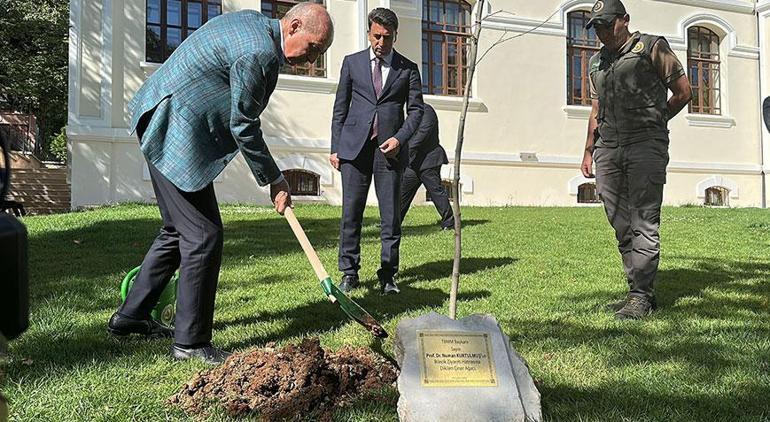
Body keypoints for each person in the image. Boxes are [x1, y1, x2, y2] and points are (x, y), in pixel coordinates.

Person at [107, 3, 334, 364]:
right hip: (171, 127)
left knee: (177, 230)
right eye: (312, 49)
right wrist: (275, 180)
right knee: (203, 236)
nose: (310, 61)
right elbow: (242, 123)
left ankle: (131, 316)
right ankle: (191, 344)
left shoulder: (254, 24)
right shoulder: (260, 52)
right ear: (293, 27)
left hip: (159, 113)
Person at [580, 0, 692, 320]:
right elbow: (596, 109)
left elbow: (683, 92)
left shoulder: (652, 48)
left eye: (606, 24)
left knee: (644, 220)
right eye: (596, 27)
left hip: (645, 145)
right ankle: (638, 289)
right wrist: (589, 150)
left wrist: (658, 121)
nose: (601, 32)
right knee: (620, 222)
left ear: (624, 20)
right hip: (608, 149)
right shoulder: (596, 63)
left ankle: (640, 294)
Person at [330, 7, 424, 295]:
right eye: (376, 36)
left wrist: (399, 139)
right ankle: (349, 272)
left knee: (390, 216)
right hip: (354, 150)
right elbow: (340, 109)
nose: (381, 43)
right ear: (368, 33)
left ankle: (388, 275)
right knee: (351, 213)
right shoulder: (352, 63)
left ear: (396, 36)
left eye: (387, 37)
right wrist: (335, 148)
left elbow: (417, 111)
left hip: (389, 152)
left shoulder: (408, 69)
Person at [400, 104, 454, 230]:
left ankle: (449, 222)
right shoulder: (410, 113)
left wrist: (404, 151)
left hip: (429, 160)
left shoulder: (426, 110)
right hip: (414, 163)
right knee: (402, 192)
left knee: (435, 191)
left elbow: (422, 134)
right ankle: (393, 222)